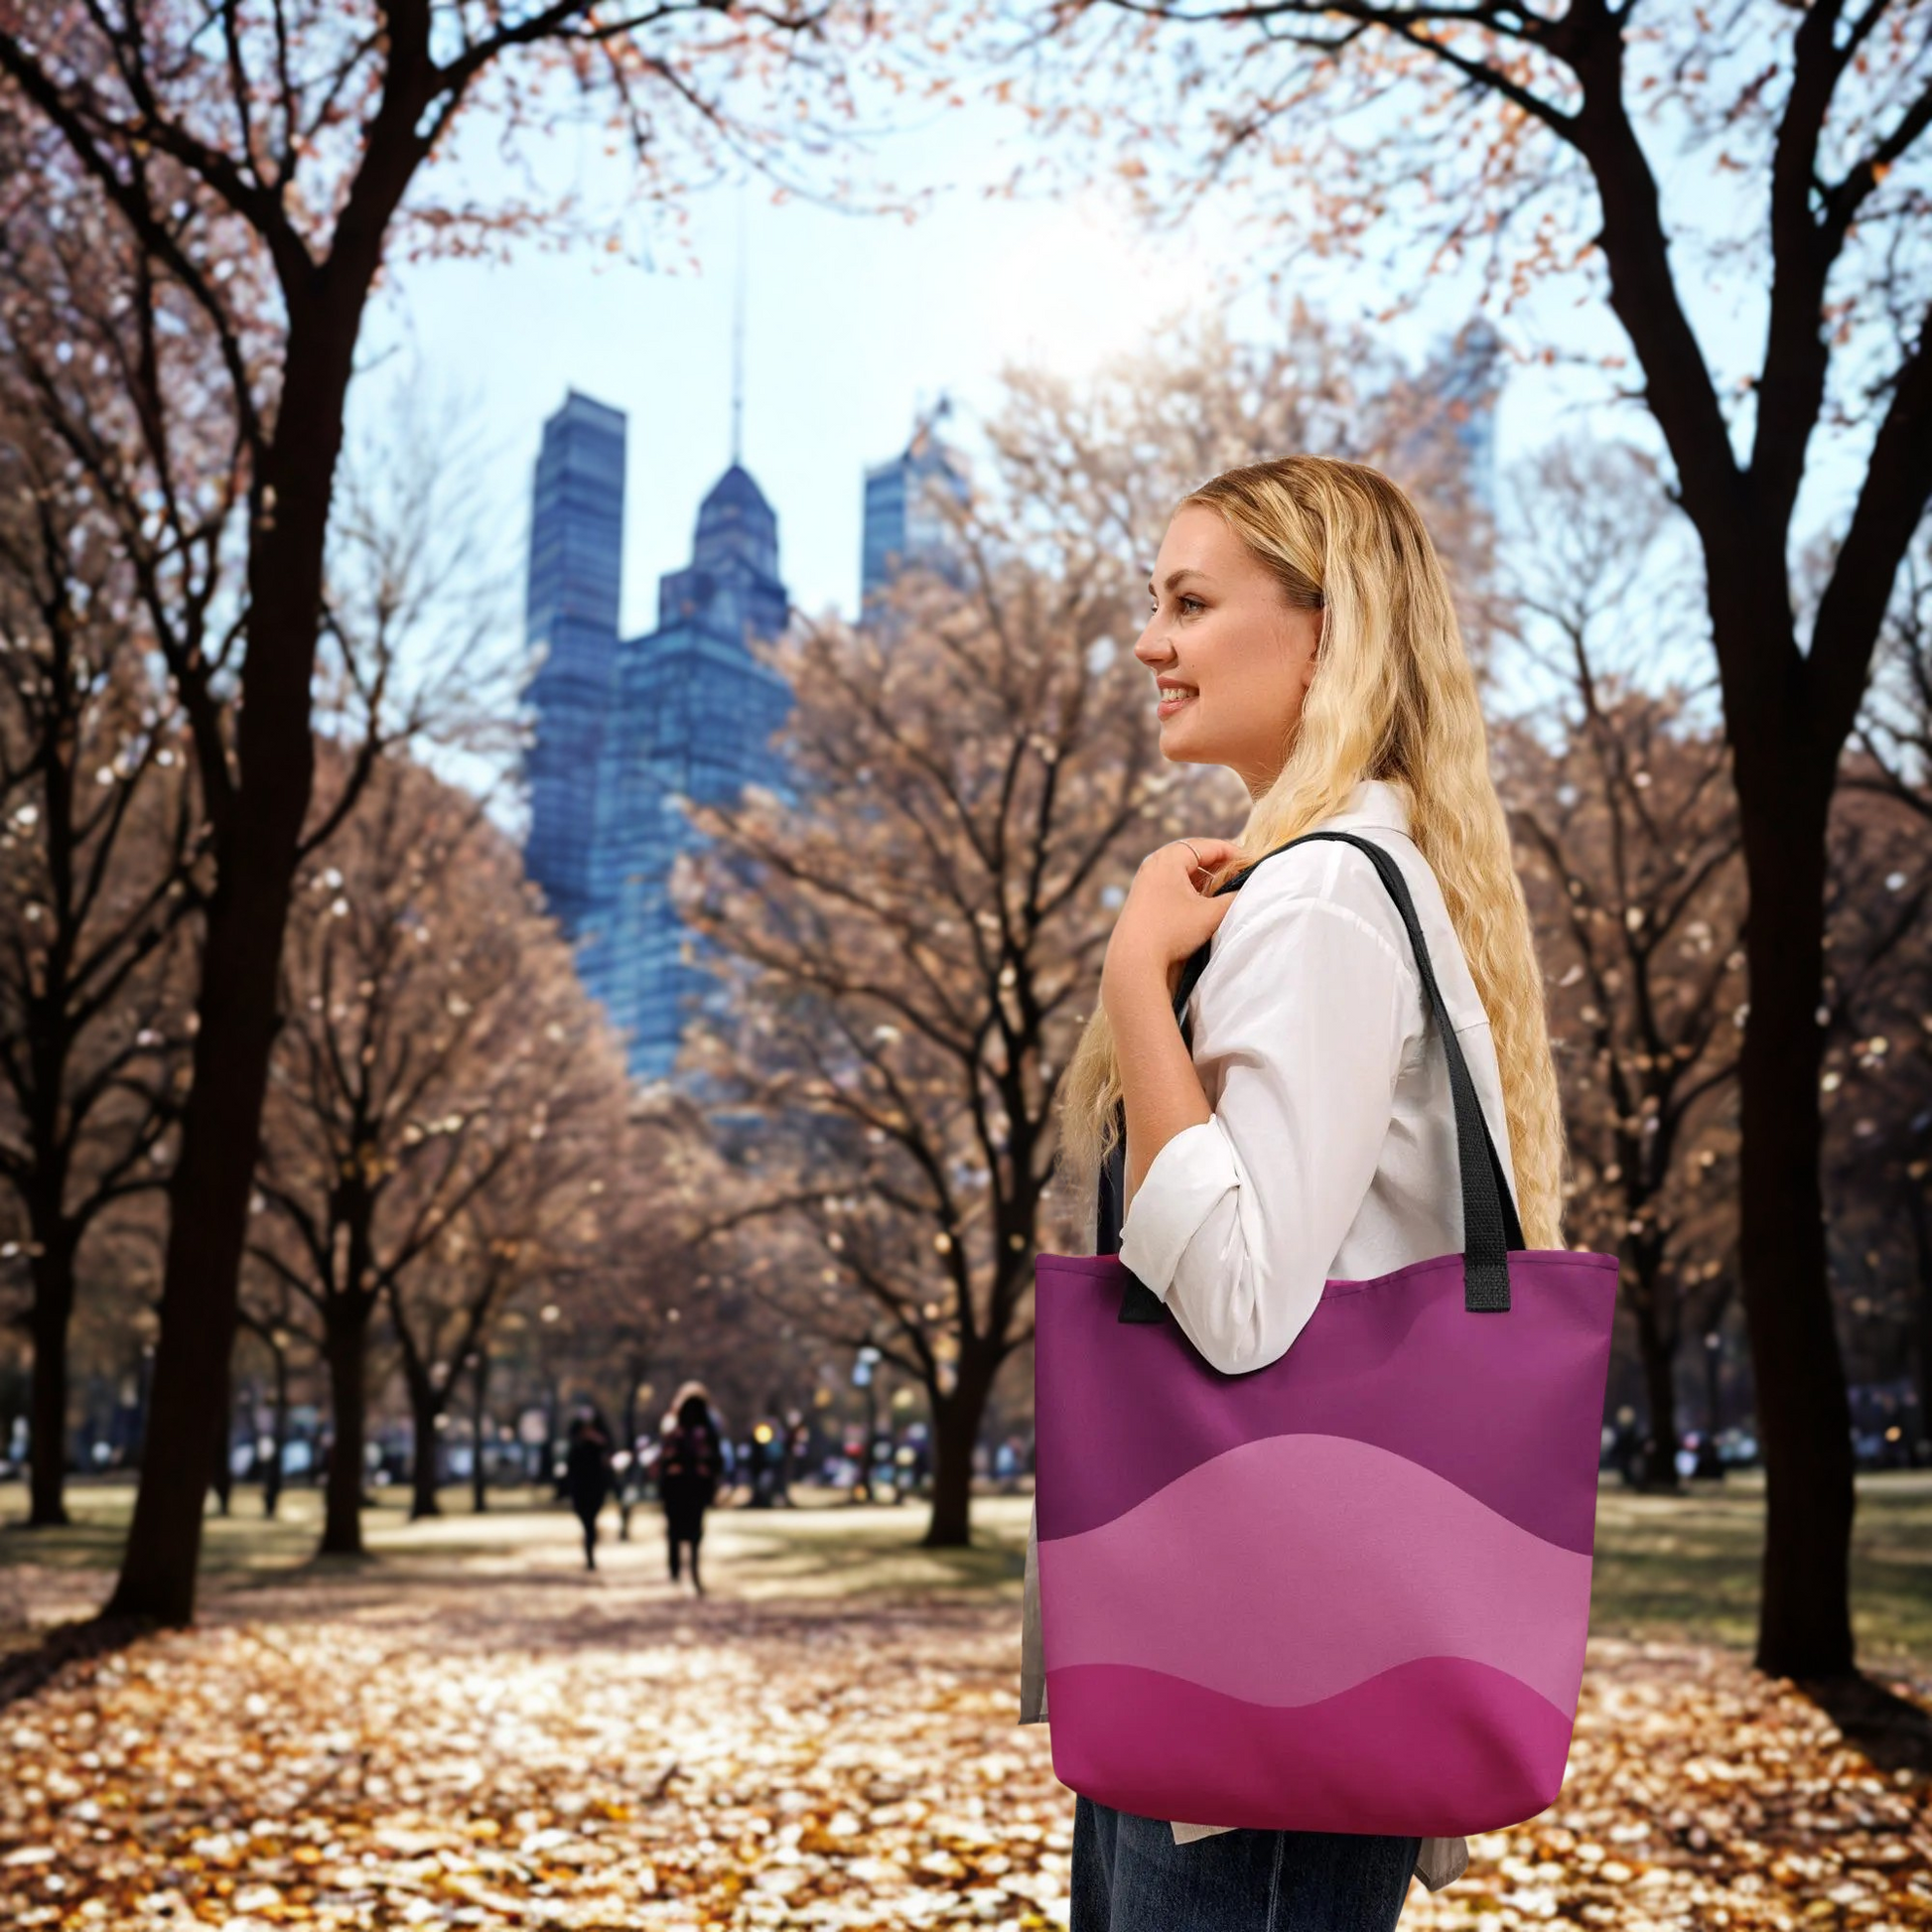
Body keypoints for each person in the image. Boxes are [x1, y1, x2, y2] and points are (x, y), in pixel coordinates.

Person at [1025, 457, 1569, 1930]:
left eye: (1189, 603)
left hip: (1256, 1677)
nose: (1149, 640)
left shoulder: (1319, 893)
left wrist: (1133, 980)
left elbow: (1240, 1302)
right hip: (1255, 1648)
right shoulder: (1335, 877)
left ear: (1326, 632)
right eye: (1155, 602)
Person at [657, 1381, 724, 1595]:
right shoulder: (673, 1426)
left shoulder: (704, 1428)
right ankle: (677, 1571)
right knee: (678, 1530)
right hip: (680, 1486)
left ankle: (689, 1572)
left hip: (692, 1486)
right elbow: (664, 1457)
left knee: (688, 1531)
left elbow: (716, 1458)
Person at [564, 1414, 613, 1572]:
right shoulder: (575, 1447)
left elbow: (608, 1463)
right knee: (587, 1524)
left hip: (595, 1488)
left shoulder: (599, 1445)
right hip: (580, 1489)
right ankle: (589, 1554)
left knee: (591, 1524)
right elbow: (570, 1470)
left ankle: (590, 1554)